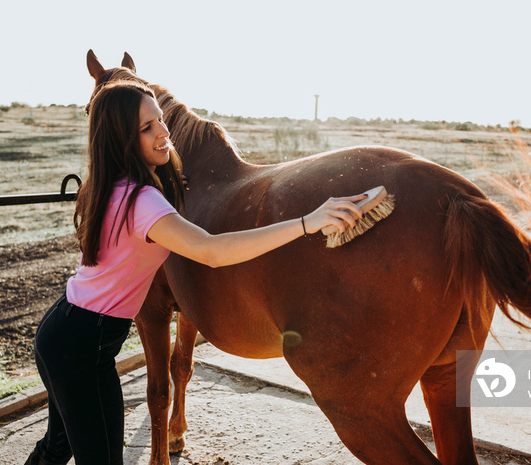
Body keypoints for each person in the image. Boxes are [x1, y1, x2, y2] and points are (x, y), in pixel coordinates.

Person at [25, 81, 365, 465]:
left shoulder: (115, 186)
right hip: (82, 348)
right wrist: (306, 222)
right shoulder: (143, 200)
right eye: (147, 127)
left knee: (56, 447)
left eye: (161, 120)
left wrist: (168, 188)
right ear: (122, 139)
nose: (164, 132)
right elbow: (212, 251)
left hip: (63, 331)